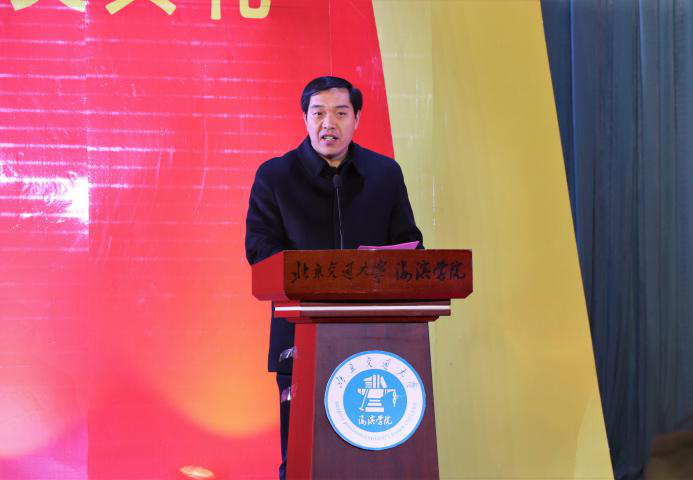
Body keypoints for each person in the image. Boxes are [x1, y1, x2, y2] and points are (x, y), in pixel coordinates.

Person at [245, 76, 423, 479]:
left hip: (376, 340)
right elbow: (260, 252)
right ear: (305, 119)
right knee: (304, 459)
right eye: (319, 113)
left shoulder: (385, 174)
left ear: (356, 118)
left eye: (341, 113)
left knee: (373, 460)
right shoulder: (275, 176)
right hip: (300, 338)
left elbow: (409, 245)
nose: (329, 123)